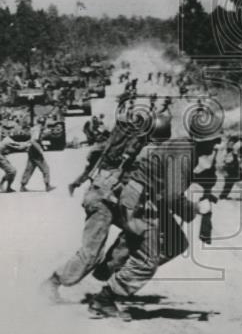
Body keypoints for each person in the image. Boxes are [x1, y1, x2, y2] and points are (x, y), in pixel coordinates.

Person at [85, 134, 218, 318]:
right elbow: (172, 196)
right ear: (203, 140)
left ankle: (113, 268)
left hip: (147, 197)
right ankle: (105, 298)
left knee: (175, 243)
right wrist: (196, 208)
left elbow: (167, 179)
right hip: (142, 200)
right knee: (148, 259)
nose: (215, 145)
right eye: (213, 141)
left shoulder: (182, 145)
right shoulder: (184, 154)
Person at [40, 107, 148, 302]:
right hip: (102, 201)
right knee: (91, 253)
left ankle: (105, 270)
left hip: (111, 201)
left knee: (137, 233)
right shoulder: (120, 152)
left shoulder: (113, 148)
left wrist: (77, 182)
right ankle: (53, 282)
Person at [20, 117, 54, 192]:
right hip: (35, 151)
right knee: (45, 168)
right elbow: (33, 141)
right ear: (42, 123)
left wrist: (42, 145)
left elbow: (36, 140)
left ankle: (22, 185)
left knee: (29, 168)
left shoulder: (36, 128)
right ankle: (47, 186)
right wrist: (40, 149)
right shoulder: (37, 129)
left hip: (31, 150)